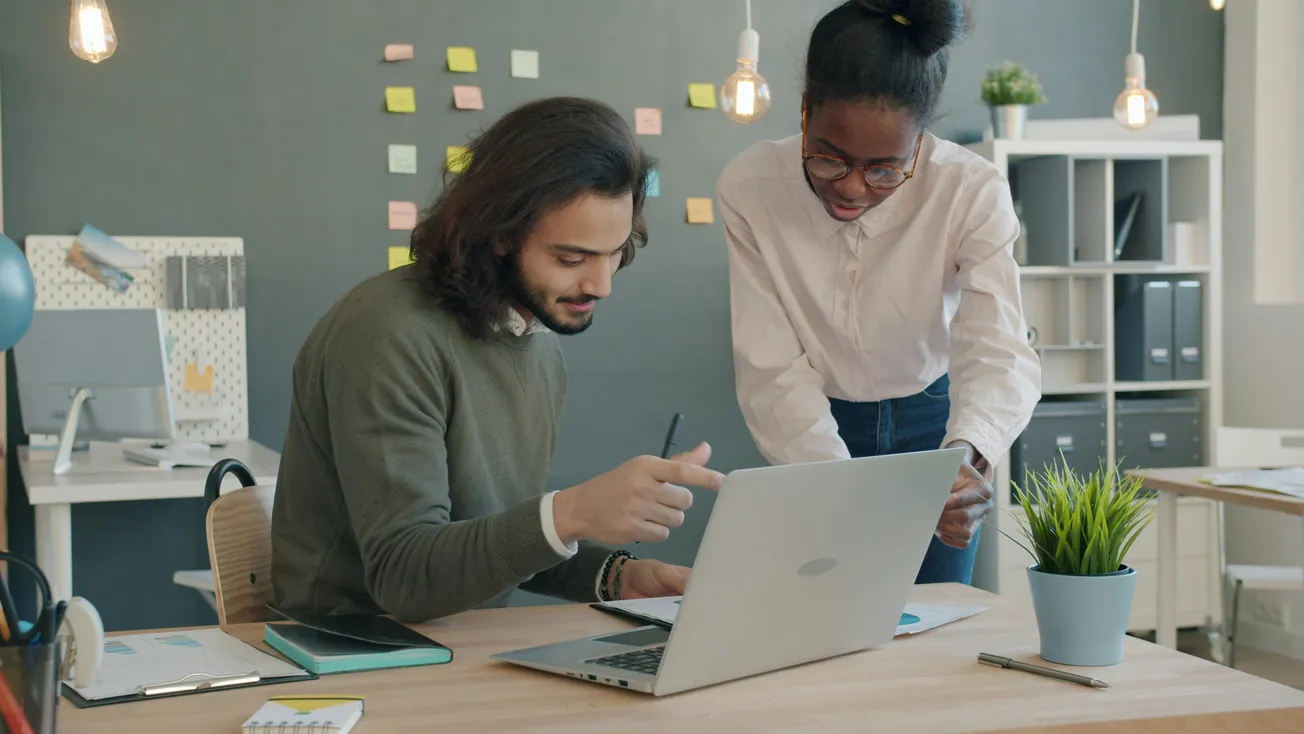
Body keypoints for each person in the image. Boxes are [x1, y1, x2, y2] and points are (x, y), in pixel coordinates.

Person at [270, 97, 725, 622]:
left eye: (616, 254)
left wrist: (615, 576)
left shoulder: (536, 341)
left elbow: (491, 541)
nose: (600, 285)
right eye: (571, 258)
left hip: (465, 645)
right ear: (501, 234)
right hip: (351, 650)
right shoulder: (386, 334)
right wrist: (573, 510)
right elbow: (405, 577)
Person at [716, 0, 1041, 585]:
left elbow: (996, 347)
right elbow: (771, 366)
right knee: (824, 615)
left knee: (937, 621)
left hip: (936, 427)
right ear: (805, 111)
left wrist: (966, 458)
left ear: (920, 141)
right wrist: (838, 484)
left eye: (885, 169)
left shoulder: (970, 190)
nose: (852, 188)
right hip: (814, 425)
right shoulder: (750, 187)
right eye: (828, 159)